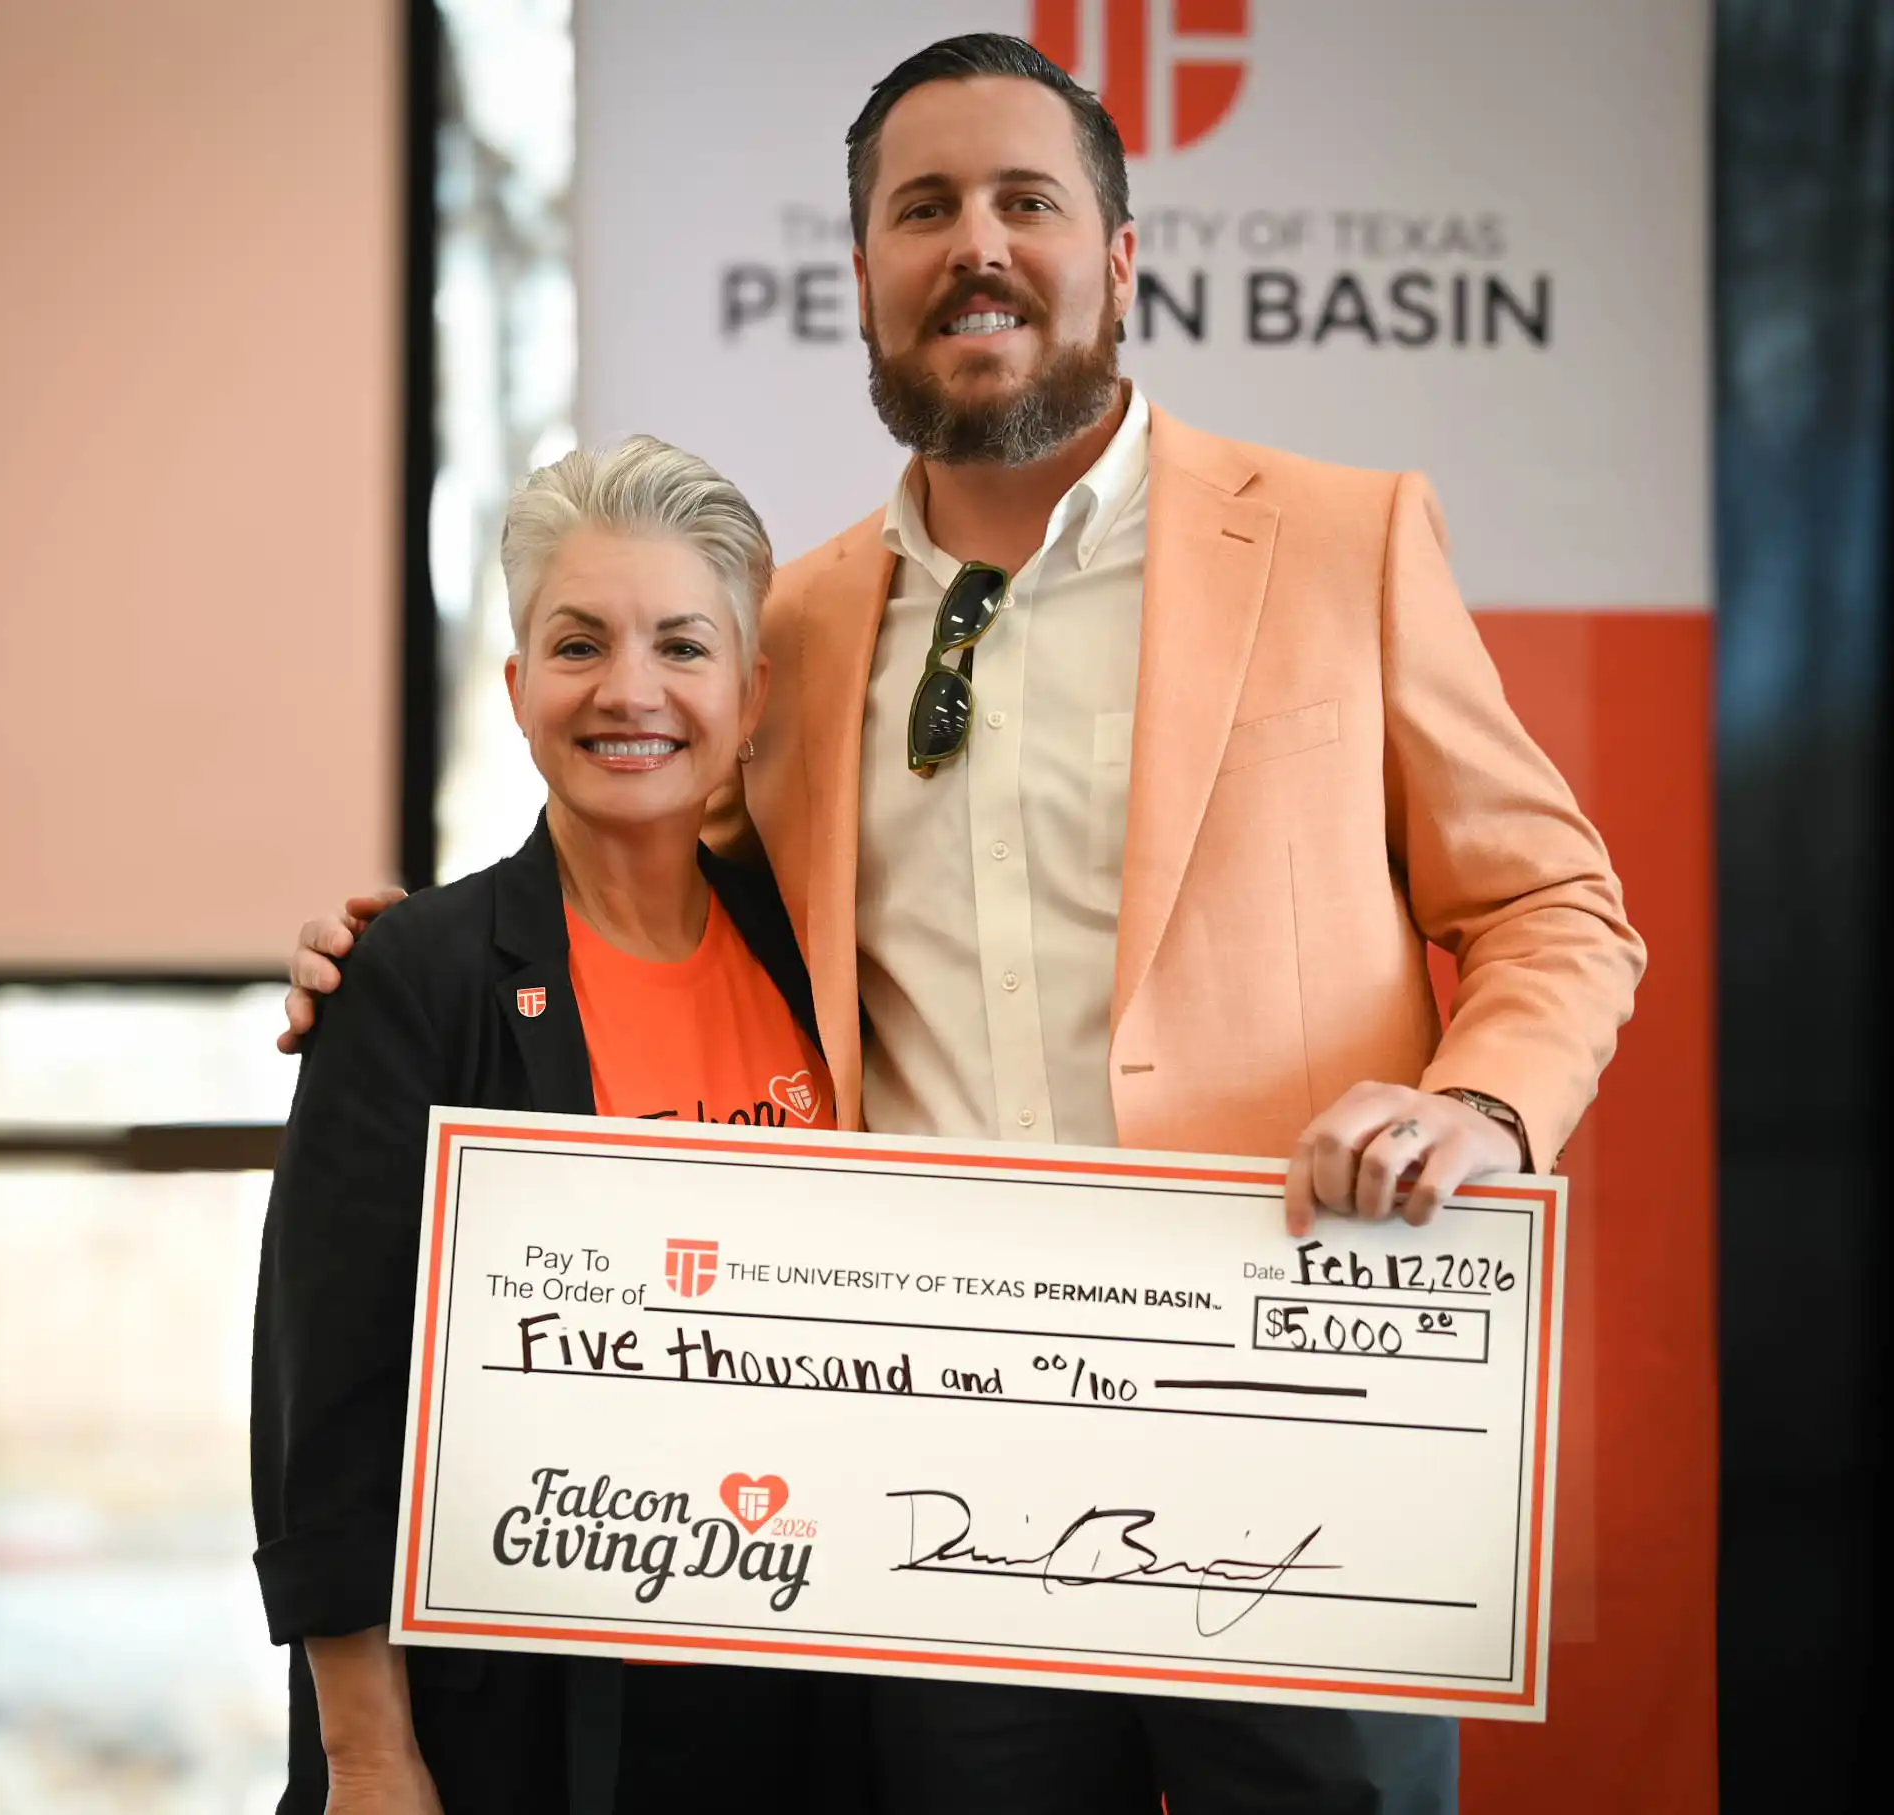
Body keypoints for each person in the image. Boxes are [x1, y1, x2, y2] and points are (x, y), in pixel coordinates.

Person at [280, 34, 1645, 1815]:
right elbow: (637, 864)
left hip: (1303, 1451)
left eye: (1026, 201)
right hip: (936, 1512)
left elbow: (1558, 904)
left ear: (1121, 257)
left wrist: (1478, 1109)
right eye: (922, 210)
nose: (973, 245)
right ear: (861, 277)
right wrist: (407, 959)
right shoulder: (805, 622)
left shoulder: (1341, 541)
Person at [250, 436, 865, 1815]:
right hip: (515, 1726)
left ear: (751, 691)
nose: (630, 690)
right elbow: (326, 1403)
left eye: (683, 646)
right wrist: (366, 1755)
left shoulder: (824, 961)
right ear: (522, 688)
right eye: (579, 644)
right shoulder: (413, 978)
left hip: (803, 1704)